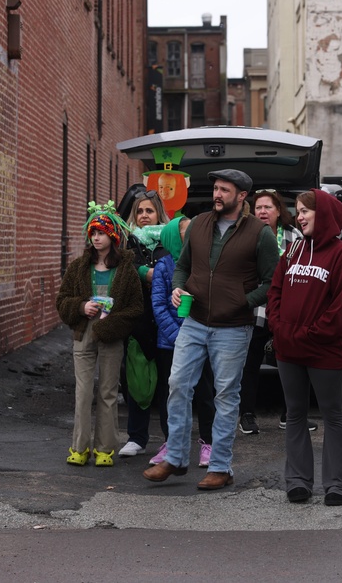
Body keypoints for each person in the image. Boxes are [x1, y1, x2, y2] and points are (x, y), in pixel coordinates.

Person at [143, 169, 277, 491]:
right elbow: (183, 267)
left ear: (242, 196)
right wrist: (177, 287)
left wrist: (243, 302)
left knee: (226, 396)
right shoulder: (199, 224)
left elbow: (272, 283)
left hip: (233, 327)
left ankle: (220, 466)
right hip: (195, 320)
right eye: (216, 189)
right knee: (177, 384)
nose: (217, 194)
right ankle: (175, 457)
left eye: (225, 190)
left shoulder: (260, 233)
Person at [267, 189, 342, 506]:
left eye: (307, 210)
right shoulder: (292, 251)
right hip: (288, 349)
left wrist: (310, 333)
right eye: (299, 211)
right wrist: (278, 328)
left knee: (332, 415)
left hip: (325, 350)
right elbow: (275, 292)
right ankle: (298, 482)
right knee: (295, 414)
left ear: (326, 215)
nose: (300, 216)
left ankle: (338, 485)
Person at [56, 202, 144, 466]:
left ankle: (105, 449)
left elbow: (136, 307)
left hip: (111, 334)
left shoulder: (126, 269)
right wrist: (81, 306)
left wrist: (111, 324)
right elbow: (62, 301)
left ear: (113, 236)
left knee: (107, 392)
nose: (96, 237)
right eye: (93, 232)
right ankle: (79, 448)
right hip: (84, 332)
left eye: (102, 232)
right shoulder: (78, 267)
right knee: (83, 393)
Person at [237, 189, 310, 435]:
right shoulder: (245, 234)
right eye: (258, 208)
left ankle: (291, 414)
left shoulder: (294, 235)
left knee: (289, 361)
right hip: (256, 307)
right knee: (250, 361)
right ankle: (246, 414)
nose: (263, 212)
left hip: (287, 308)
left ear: (279, 211)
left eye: (268, 207)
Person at [149, 217, 217, 468]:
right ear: (174, 238)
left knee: (205, 393)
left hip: (201, 340)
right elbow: (158, 305)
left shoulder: (204, 264)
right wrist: (180, 338)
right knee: (169, 395)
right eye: (187, 233)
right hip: (170, 343)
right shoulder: (164, 266)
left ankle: (208, 442)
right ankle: (171, 442)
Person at [118, 190, 170, 457]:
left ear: (158, 213)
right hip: (137, 322)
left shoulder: (170, 241)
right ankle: (136, 437)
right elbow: (123, 271)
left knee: (167, 384)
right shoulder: (127, 244)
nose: (144, 216)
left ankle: (170, 439)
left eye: (149, 211)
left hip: (166, 324)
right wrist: (143, 272)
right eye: (140, 211)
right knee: (136, 380)